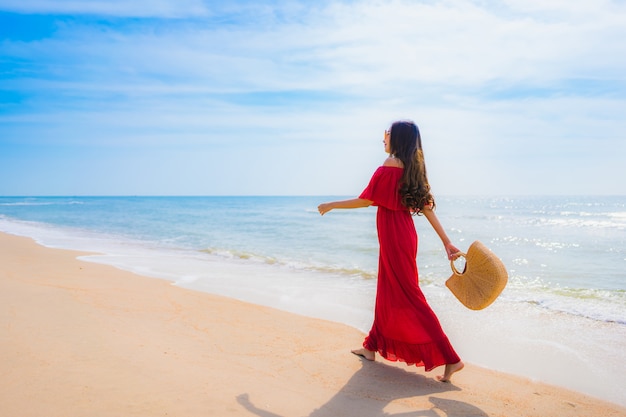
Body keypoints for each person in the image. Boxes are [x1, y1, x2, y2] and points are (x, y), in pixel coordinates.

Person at [318, 120, 464, 382]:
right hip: (403, 235)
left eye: (386, 135)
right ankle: (371, 347)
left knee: (408, 295)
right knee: (387, 291)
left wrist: (332, 205)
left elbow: (366, 200)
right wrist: (446, 241)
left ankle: (450, 358)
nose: (383, 139)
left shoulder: (389, 166)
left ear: (396, 139)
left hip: (395, 237)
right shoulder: (412, 169)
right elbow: (427, 207)